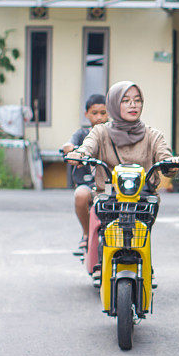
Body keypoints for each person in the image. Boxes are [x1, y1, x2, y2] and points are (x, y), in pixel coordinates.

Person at [66, 81, 179, 250]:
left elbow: (165, 156)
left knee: (142, 237)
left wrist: (172, 163)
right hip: (109, 196)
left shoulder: (153, 135)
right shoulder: (100, 132)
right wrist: (79, 154)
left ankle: (147, 270)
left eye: (137, 100)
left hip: (143, 198)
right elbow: (87, 147)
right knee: (106, 235)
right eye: (125, 100)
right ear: (114, 104)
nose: (133, 105)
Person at [61, 94, 107, 251]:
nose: (99, 117)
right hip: (88, 184)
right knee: (80, 195)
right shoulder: (81, 134)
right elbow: (69, 144)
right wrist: (70, 149)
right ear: (87, 114)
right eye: (95, 113)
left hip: (110, 184)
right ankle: (87, 233)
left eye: (103, 113)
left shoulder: (114, 134)